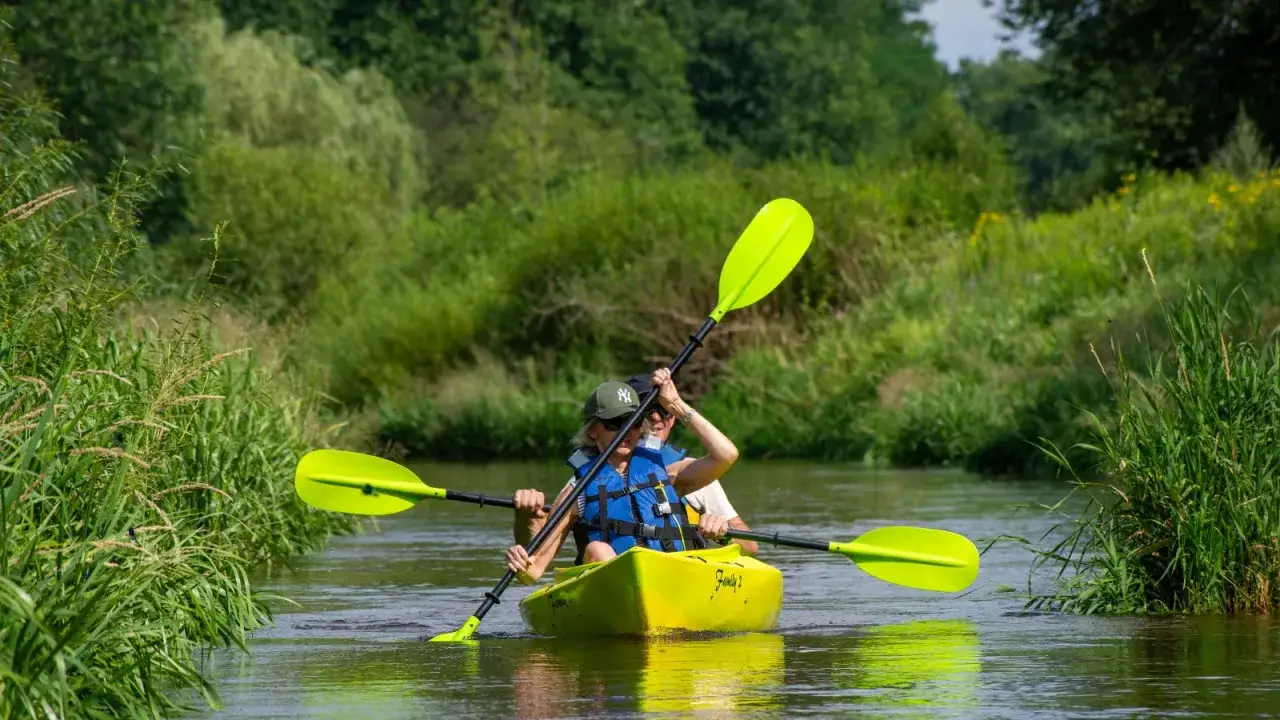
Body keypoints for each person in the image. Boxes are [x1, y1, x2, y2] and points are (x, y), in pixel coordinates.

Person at [505, 368, 739, 584]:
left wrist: (675, 404)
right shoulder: (578, 493)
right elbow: (532, 572)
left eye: (634, 421)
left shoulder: (668, 473)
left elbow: (726, 455)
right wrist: (520, 554)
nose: (627, 431)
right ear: (593, 430)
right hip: (618, 592)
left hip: (671, 580)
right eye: (615, 423)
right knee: (598, 549)